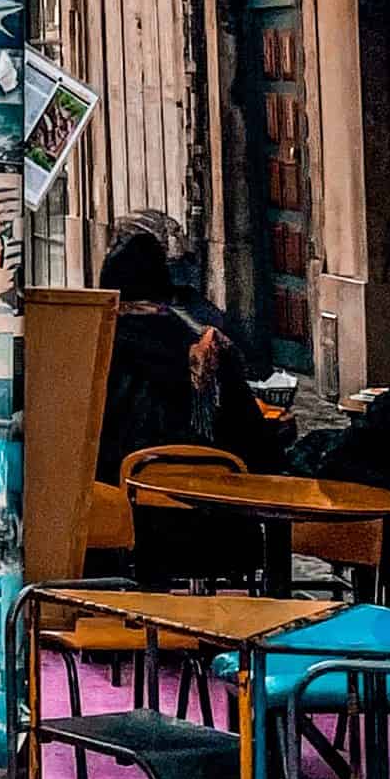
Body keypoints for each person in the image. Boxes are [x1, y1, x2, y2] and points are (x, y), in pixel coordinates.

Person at [96, 229, 275, 584]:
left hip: (124, 540)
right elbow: (257, 448)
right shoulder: (211, 350)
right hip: (217, 536)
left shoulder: (98, 355)